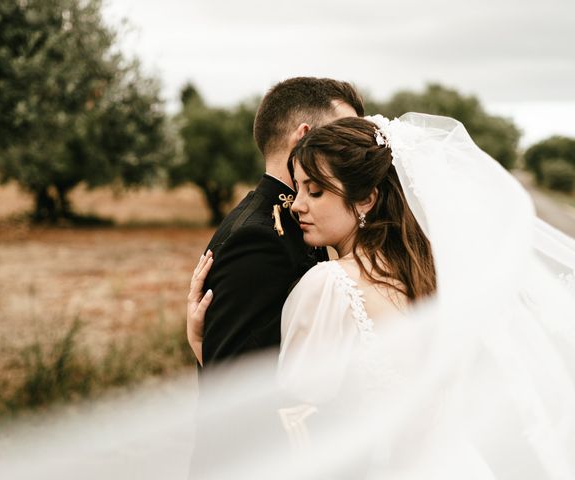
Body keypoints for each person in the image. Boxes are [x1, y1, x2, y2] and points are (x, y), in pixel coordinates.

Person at [188, 113, 575, 478]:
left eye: (316, 191)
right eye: (299, 188)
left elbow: (286, 417)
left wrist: (206, 350)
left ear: (366, 199)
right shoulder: (433, 275)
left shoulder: (331, 286)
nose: (298, 206)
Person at [188, 77, 364, 369]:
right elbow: (231, 387)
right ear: (303, 137)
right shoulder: (257, 240)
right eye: (343, 135)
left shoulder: (304, 222)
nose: (354, 149)